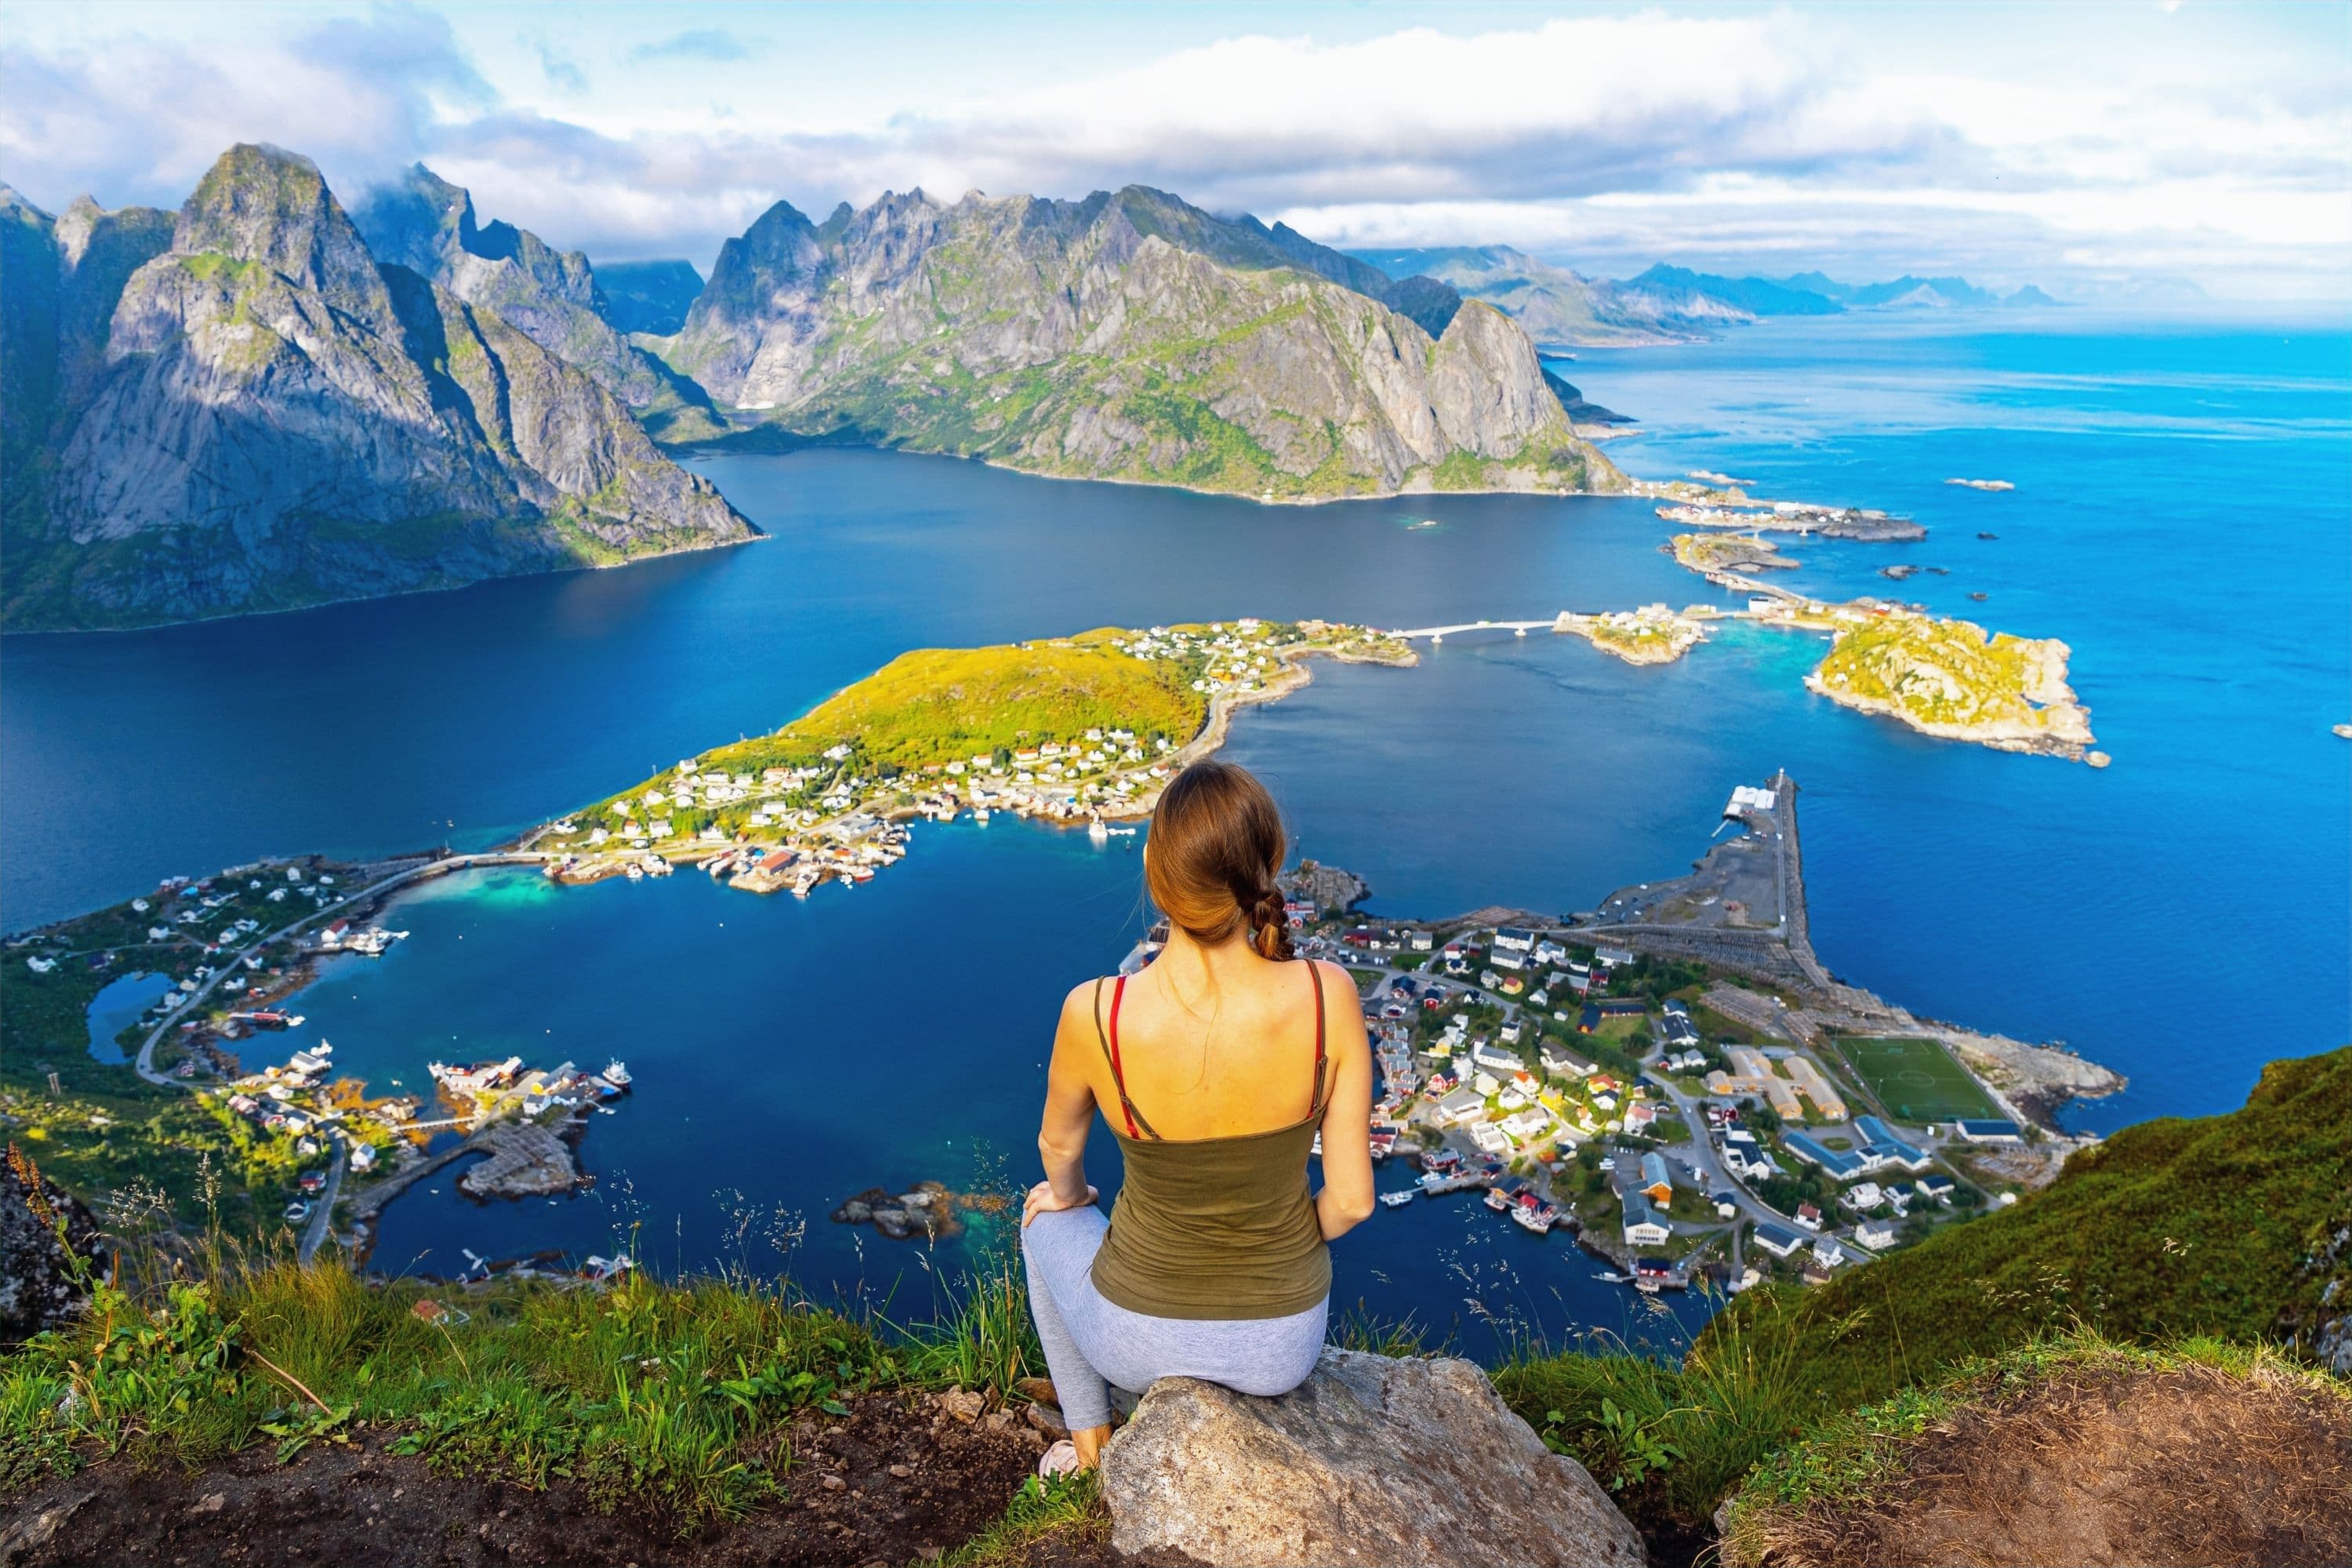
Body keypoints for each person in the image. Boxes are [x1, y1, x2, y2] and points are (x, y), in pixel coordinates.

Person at [1020, 760, 1376, 1476]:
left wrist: (1067, 1197)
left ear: (1156, 872)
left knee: (1044, 1220)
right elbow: (1352, 1202)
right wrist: (1272, 1243)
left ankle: (1092, 1450)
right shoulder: (1326, 994)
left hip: (1133, 1336)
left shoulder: (1097, 1011)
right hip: (1282, 1348)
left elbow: (1057, 1147)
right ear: (1268, 867)